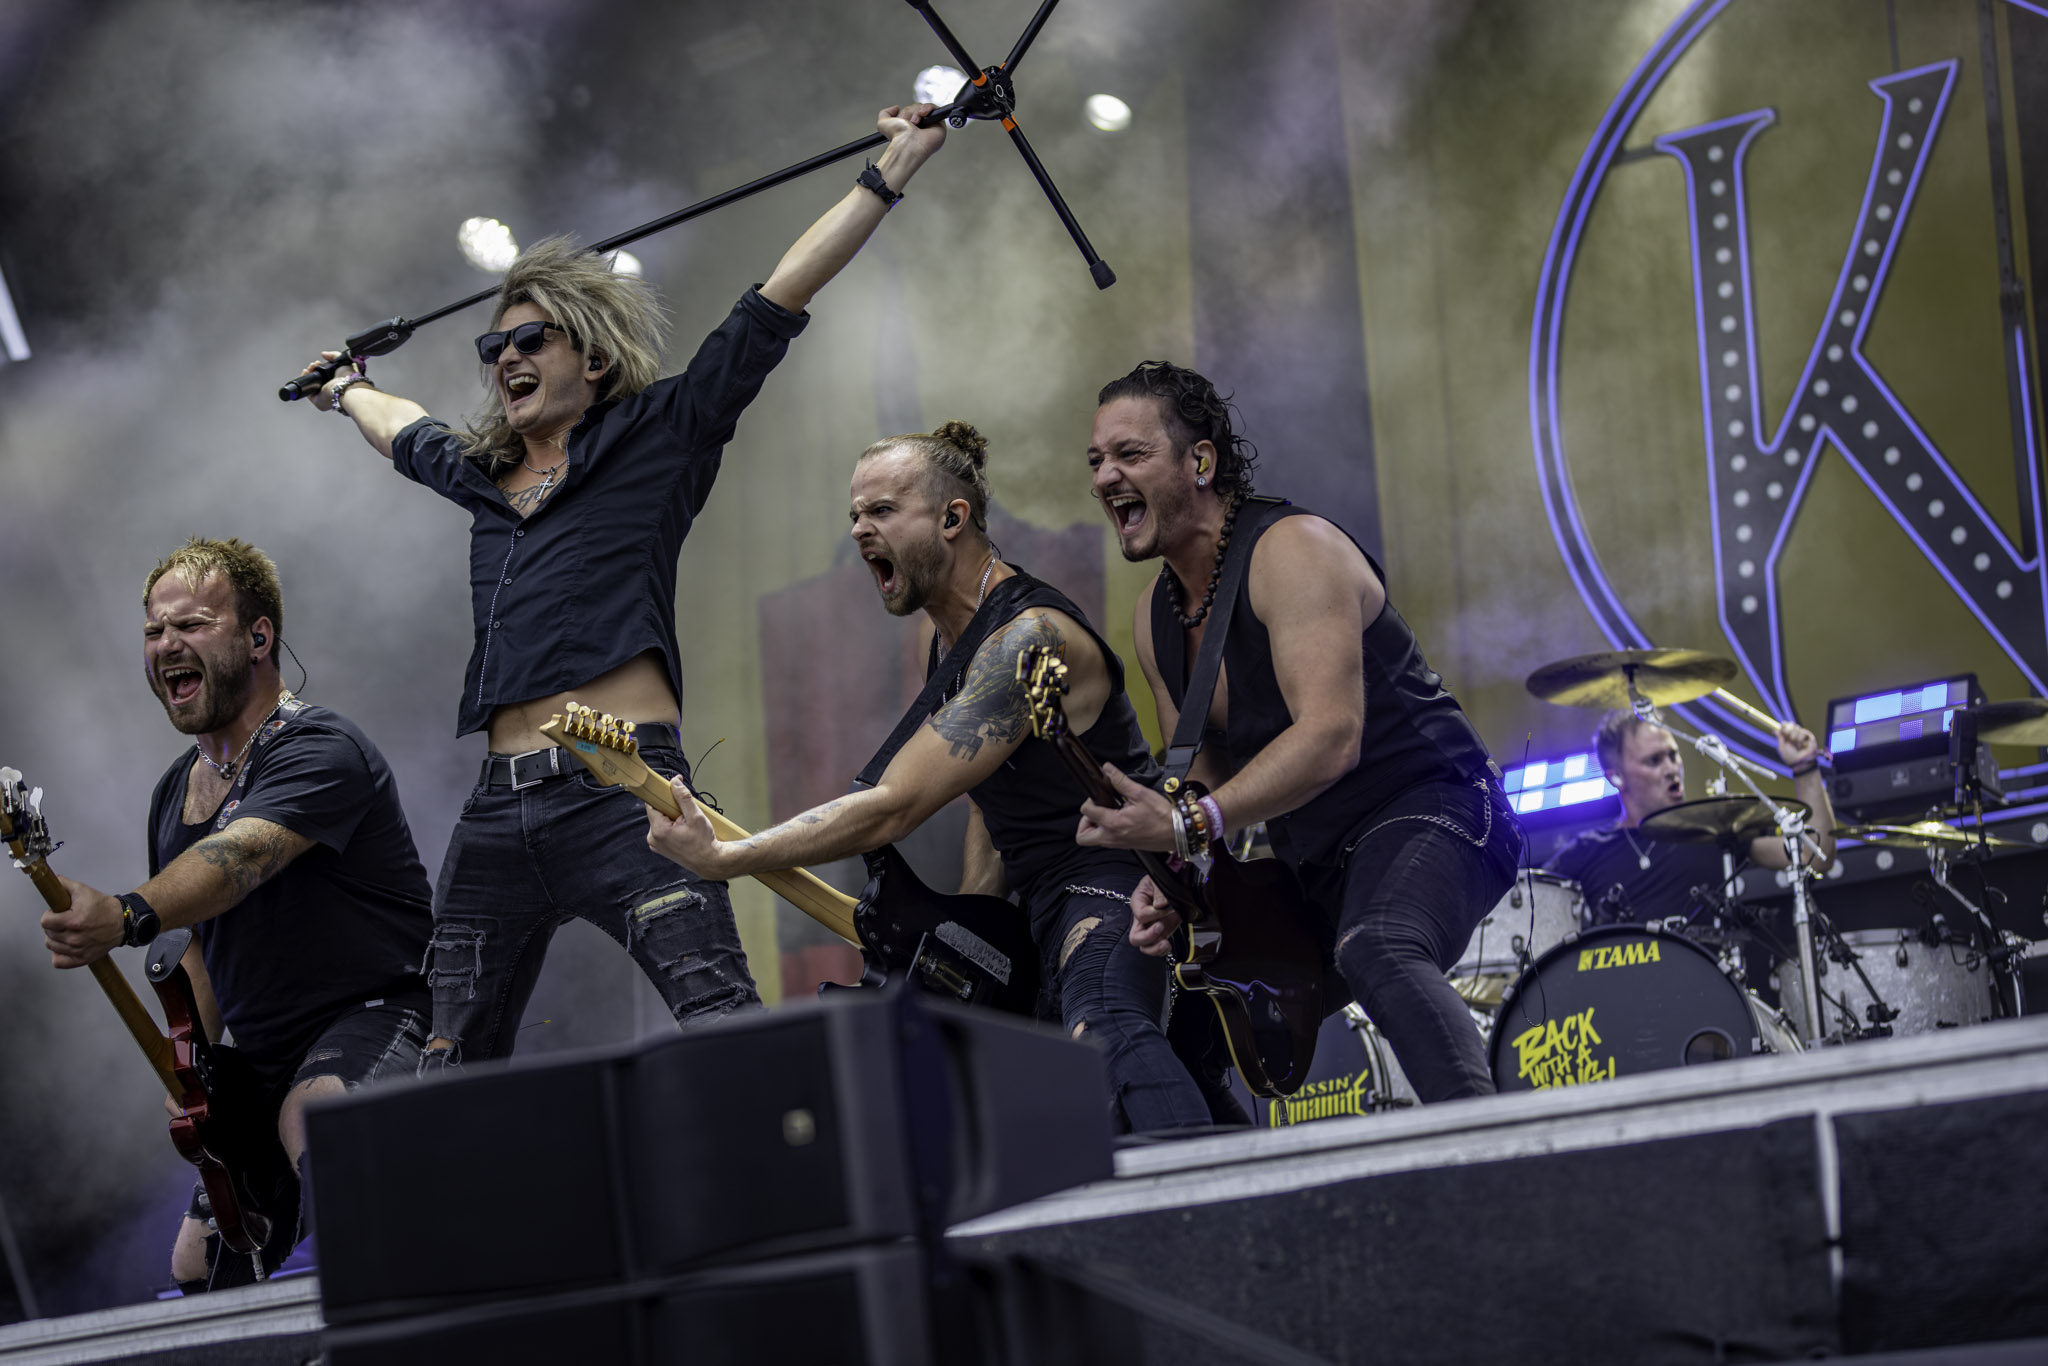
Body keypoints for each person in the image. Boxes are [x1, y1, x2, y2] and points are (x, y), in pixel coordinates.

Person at [297, 103, 948, 1068]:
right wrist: (346, 386)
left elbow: (778, 298)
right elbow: (404, 427)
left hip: (624, 790)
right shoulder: (483, 476)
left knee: (721, 1023)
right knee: (443, 1067)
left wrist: (891, 169)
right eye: (494, 349)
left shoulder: (659, 437)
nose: (507, 358)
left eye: (532, 341)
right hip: (497, 809)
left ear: (594, 359)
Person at [644, 422, 1212, 1132]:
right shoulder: (940, 642)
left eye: (881, 510)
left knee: (1105, 1026)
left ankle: (1209, 1200)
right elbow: (988, 801)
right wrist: (978, 925)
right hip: (1036, 902)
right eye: (855, 514)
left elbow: (894, 808)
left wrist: (729, 856)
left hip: (1120, 880)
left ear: (952, 518)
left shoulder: (1026, 639)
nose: (859, 530)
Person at [1073, 360, 1522, 1111]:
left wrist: (1189, 823)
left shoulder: (1293, 550)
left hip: (1438, 808)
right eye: (1095, 461)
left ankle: (1498, 1151)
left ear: (1200, 462)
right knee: (1184, 1015)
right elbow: (1202, 766)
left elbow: (1332, 736)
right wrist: (1174, 871)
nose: (1104, 477)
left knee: (1378, 944)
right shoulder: (1155, 616)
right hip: (1314, 861)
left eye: (1130, 454)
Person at [39, 538, 433, 1292]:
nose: (166, 644)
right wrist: (192, 1067)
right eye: (154, 631)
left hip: (383, 1016)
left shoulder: (320, 746)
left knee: (316, 1120)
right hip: (264, 1060)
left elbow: (240, 858)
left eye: (191, 624)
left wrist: (125, 913)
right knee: (198, 1264)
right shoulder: (173, 792)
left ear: (258, 636)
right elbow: (197, 941)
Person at [1545, 709, 1836, 925]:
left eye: (1673, 755)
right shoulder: (1587, 851)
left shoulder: (1712, 828)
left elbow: (1815, 856)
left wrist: (1805, 766)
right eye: (1654, 761)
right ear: (1616, 778)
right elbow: (1529, 913)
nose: (1671, 769)